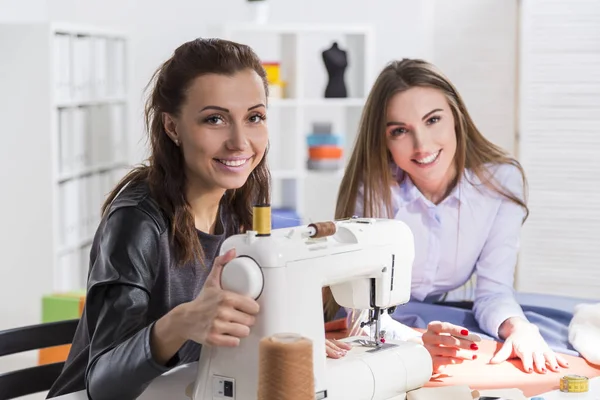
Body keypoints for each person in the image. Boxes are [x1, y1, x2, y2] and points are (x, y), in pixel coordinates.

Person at [46, 37, 346, 399]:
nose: (240, 142)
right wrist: (180, 323)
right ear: (172, 127)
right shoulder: (137, 222)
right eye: (215, 119)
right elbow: (102, 384)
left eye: (255, 117)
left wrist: (288, 338)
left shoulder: (236, 205)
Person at [323, 58, 570, 375]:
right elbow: (358, 310)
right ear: (383, 140)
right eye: (400, 130)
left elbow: (493, 292)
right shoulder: (371, 190)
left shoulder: (500, 184)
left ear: (456, 117)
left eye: (433, 120)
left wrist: (517, 327)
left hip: (440, 318)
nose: (422, 145)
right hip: (387, 326)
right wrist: (412, 341)